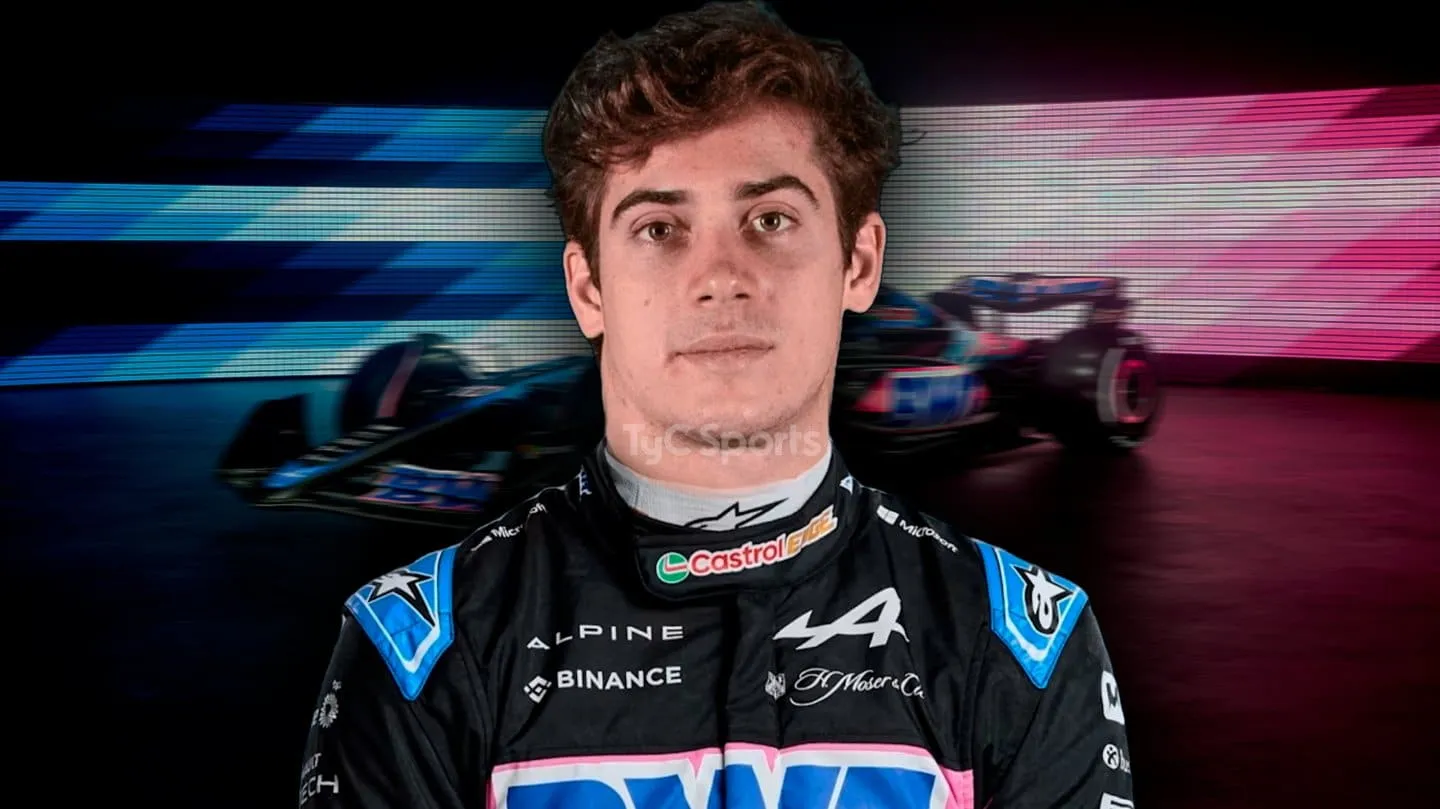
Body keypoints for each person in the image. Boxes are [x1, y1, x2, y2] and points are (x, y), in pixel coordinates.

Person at [296, 3, 1137, 807]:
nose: (721, 277)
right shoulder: (417, 646)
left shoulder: (1023, 642)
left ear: (858, 262)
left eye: (770, 219)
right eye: (659, 228)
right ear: (588, 288)